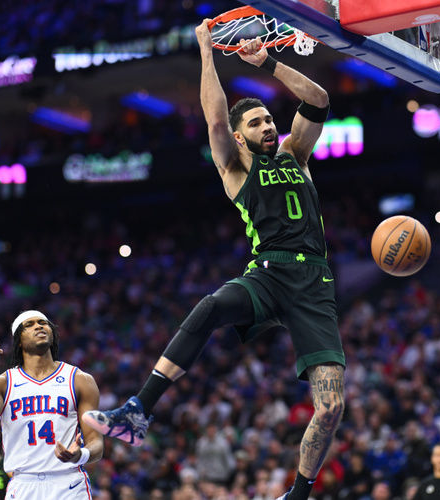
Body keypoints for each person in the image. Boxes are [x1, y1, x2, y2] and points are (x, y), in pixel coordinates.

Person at [83, 18, 345, 500]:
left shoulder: (296, 156)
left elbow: (318, 100)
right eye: (257, 123)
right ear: (240, 138)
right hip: (268, 272)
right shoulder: (232, 165)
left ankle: (300, 493)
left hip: (314, 282)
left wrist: (265, 61)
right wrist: (207, 52)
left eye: (269, 119)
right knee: (209, 307)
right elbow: (216, 120)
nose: (268, 126)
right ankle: (139, 411)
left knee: (330, 408)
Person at [0, 311, 103, 499]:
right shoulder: (3, 382)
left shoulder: (79, 380)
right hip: (23, 484)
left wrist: (80, 455)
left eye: (43, 323)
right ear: (18, 340)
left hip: (68, 483)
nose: (39, 326)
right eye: (29, 324)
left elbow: (96, 442)